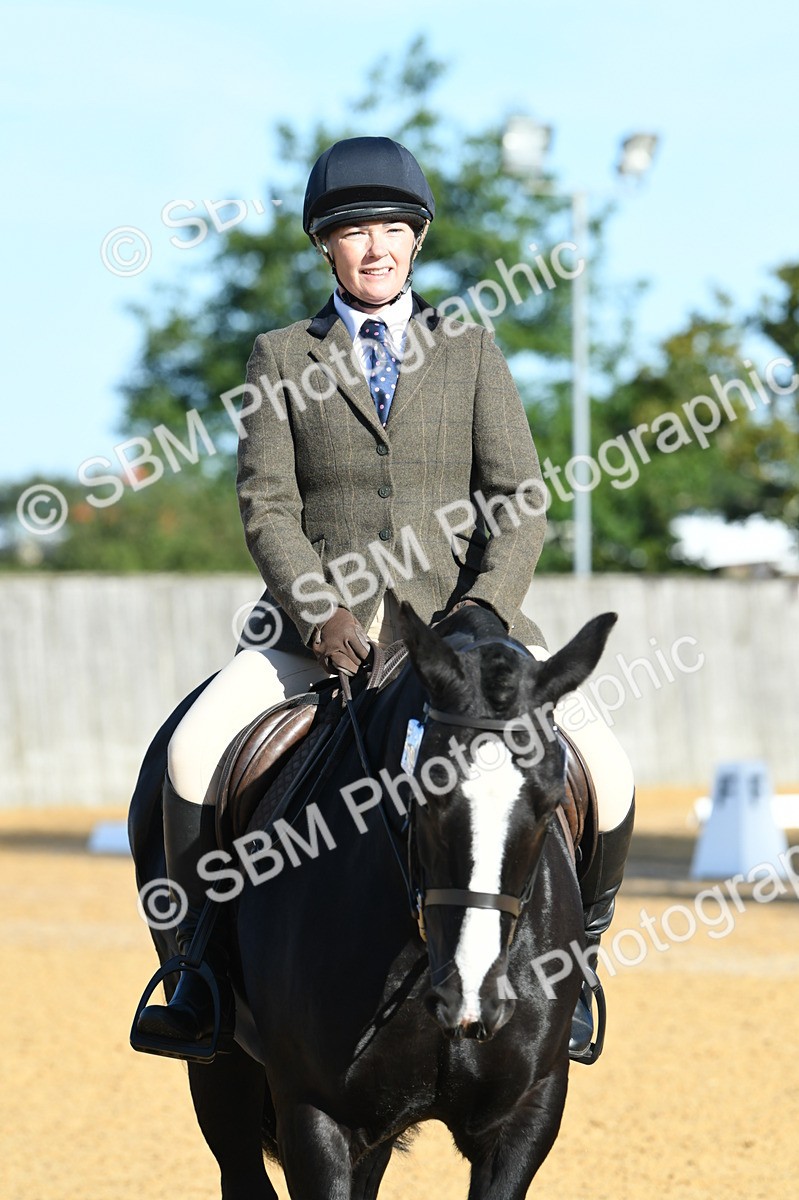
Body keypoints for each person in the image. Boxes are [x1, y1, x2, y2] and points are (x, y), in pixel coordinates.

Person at [135, 136, 635, 1063]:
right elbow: (267, 503)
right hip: (317, 630)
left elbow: (519, 499)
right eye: (354, 232)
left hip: (467, 629)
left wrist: (483, 611)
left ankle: (576, 968)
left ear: (416, 241)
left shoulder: (470, 348)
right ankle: (198, 974)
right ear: (325, 246)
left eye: (392, 231)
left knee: (604, 764)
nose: (375, 248)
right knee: (195, 753)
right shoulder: (281, 354)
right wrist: (320, 612)